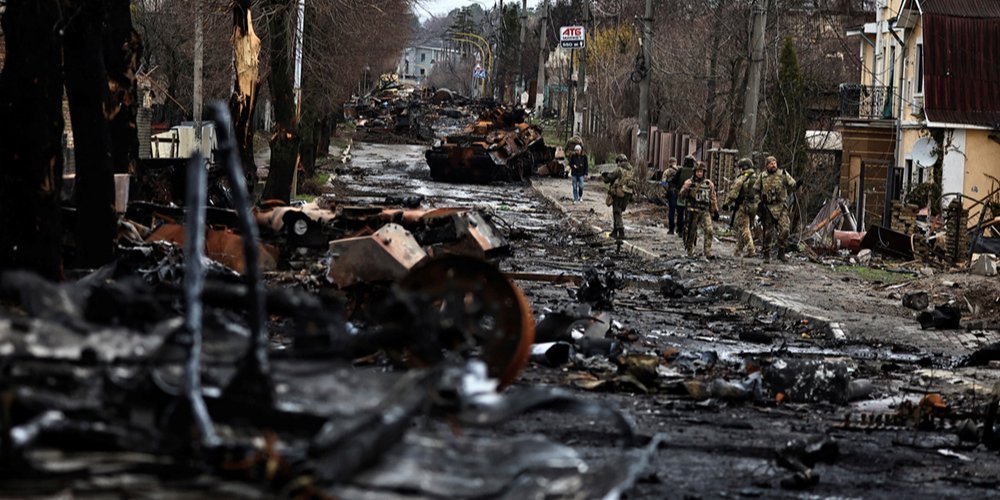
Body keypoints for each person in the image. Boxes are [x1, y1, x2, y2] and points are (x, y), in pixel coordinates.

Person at [753, 155, 799, 262]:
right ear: (767, 165)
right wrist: (758, 203)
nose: (773, 165)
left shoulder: (782, 174)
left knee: (785, 230)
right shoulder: (762, 177)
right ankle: (766, 253)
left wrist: (797, 185)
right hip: (768, 207)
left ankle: (781, 251)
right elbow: (755, 191)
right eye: (771, 163)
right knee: (768, 232)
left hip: (781, 206)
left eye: (775, 163)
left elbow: (792, 184)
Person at [679, 161, 719, 258]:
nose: (699, 173)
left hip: (704, 211)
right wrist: (686, 188)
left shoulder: (709, 184)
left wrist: (715, 211)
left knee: (709, 230)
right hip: (692, 211)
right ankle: (690, 251)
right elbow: (681, 196)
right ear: (694, 172)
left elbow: (713, 198)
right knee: (691, 232)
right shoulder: (689, 182)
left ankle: (707, 252)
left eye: (701, 171)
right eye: (697, 171)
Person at [723, 157, 760, 258]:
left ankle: (751, 250)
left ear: (743, 167)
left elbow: (733, 193)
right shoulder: (756, 177)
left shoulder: (742, 178)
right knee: (743, 228)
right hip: (754, 206)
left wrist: (726, 203)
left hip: (743, 206)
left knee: (744, 228)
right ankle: (738, 250)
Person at [602, 153, 635, 242]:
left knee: (617, 211)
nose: (617, 164)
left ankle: (621, 232)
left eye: (618, 162)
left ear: (620, 161)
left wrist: (604, 175)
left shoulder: (619, 169)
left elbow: (610, 177)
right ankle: (615, 231)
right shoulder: (631, 169)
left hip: (619, 192)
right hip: (628, 193)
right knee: (618, 211)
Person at [672, 155, 696, 238]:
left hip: (681, 194)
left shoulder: (680, 170)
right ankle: (689, 231)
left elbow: (671, 181)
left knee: (680, 213)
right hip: (692, 196)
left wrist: (667, 190)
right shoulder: (695, 171)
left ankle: (680, 230)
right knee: (690, 214)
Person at [661, 157, 679, 234]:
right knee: (680, 211)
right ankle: (680, 229)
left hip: (671, 191)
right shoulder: (679, 171)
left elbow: (663, 182)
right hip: (679, 192)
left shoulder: (667, 171)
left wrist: (666, 190)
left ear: (669, 163)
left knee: (672, 210)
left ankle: (671, 229)